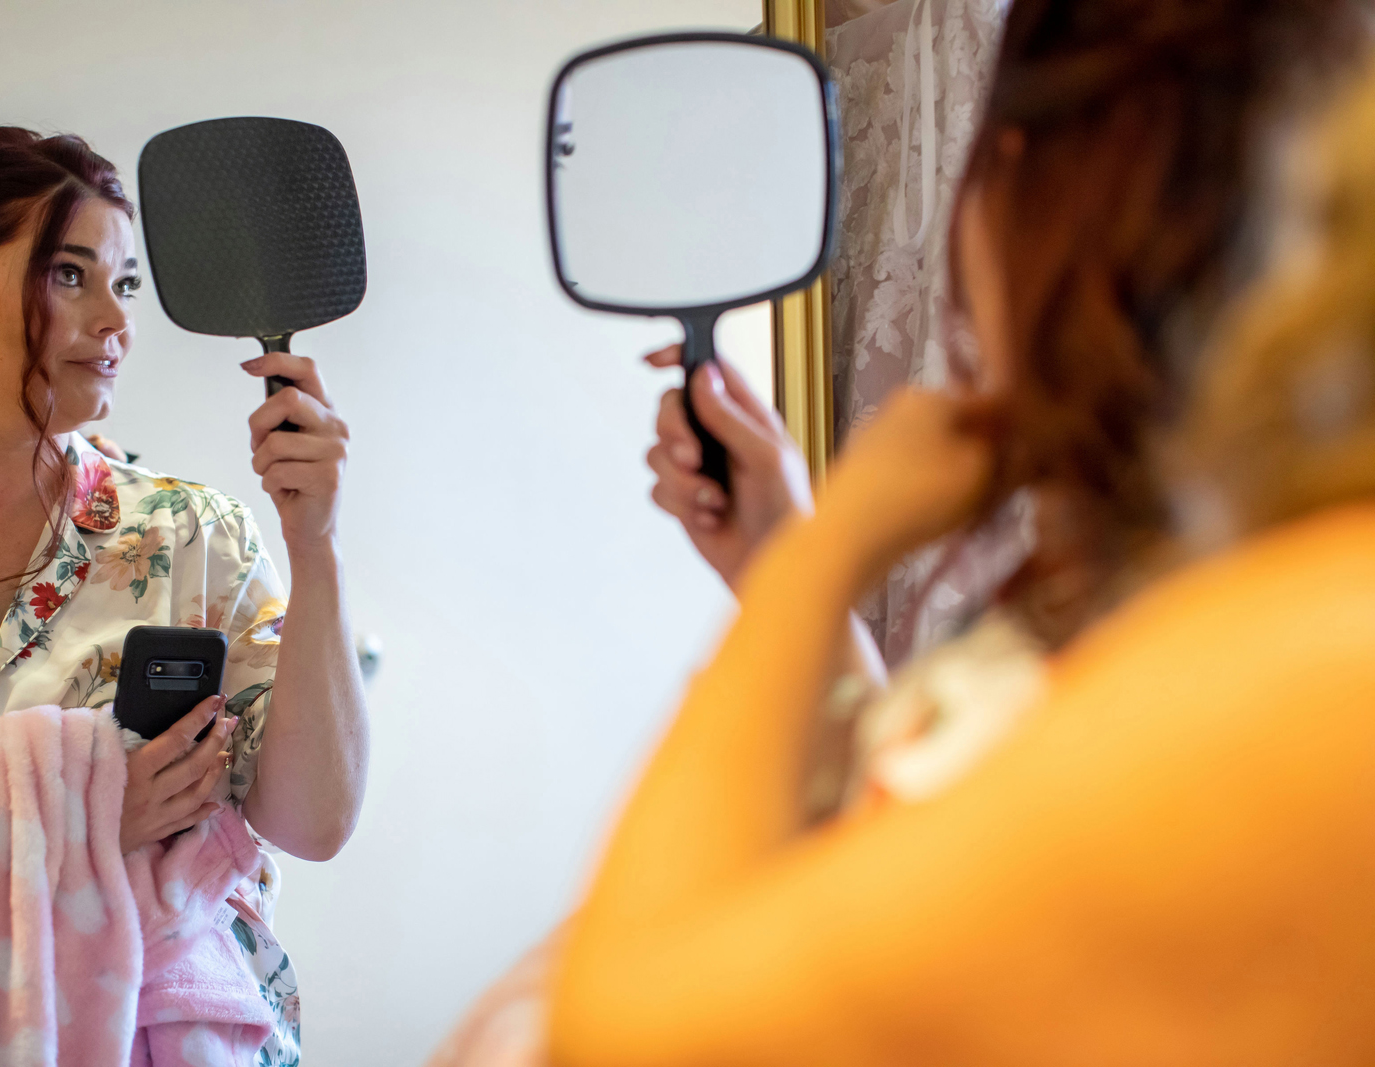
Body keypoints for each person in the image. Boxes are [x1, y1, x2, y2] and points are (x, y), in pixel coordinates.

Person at [429, 5, 1364, 1065]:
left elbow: (617, 1032)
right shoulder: (1213, 613)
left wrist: (827, 553)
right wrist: (779, 550)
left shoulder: (1300, 650)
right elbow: (954, 848)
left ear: (1031, 192)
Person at [0, 125, 369, 1065]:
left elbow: (314, 822)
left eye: (125, 283)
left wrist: (318, 544)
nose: (115, 321)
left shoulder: (190, 534)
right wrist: (89, 819)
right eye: (69, 274)